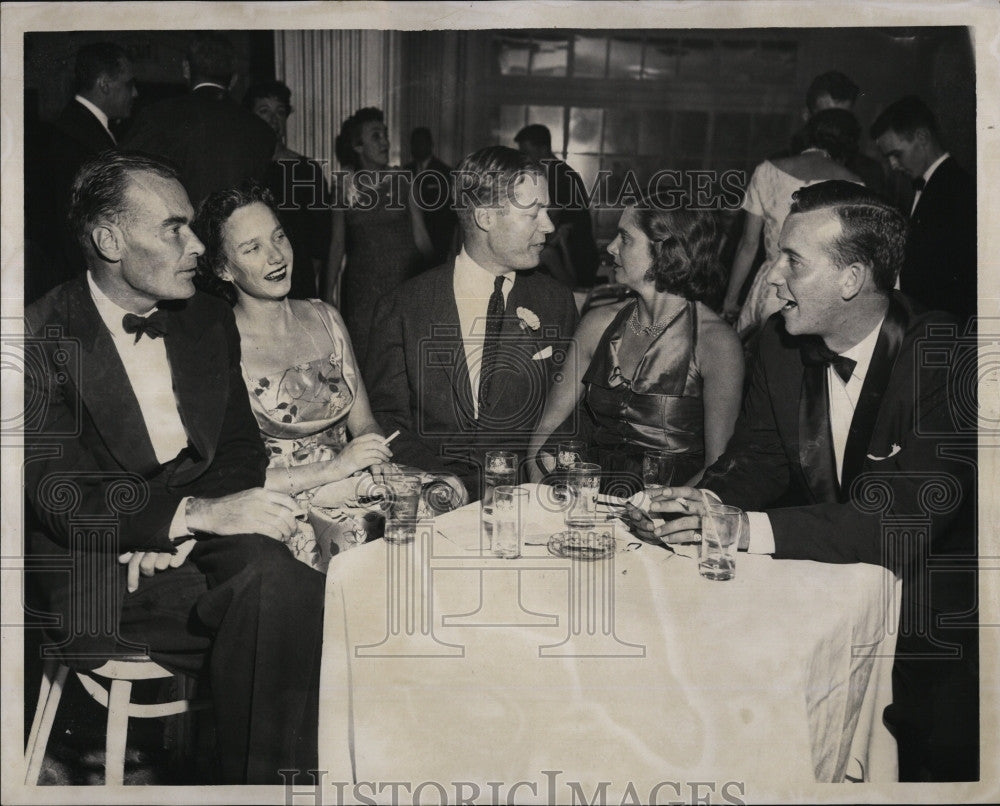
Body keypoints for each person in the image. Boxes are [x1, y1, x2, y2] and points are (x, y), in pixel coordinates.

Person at [646, 181, 978, 782]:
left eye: (791, 260)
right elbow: (758, 461)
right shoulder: (778, 346)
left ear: (851, 279)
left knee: (938, 754)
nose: (770, 277)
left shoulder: (947, 356)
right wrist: (705, 500)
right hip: (833, 584)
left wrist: (743, 527)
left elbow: (904, 522)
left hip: (940, 611)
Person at [23, 152, 324, 784]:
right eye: (174, 228)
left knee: (298, 584)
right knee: (279, 606)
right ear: (109, 240)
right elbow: (57, 489)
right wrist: (178, 518)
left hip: (194, 539)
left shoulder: (206, 318)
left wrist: (188, 529)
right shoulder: (35, 334)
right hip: (99, 566)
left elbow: (239, 446)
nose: (195, 244)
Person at [366, 145, 579, 499]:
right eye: (534, 213)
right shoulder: (402, 307)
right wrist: (441, 483)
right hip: (430, 500)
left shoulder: (555, 302)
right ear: (485, 218)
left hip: (525, 502)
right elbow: (386, 419)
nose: (549, 225)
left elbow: (569, 414)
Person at [528, 200, 743, 491]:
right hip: (589, 498)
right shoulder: (598, 323)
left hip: (670, 508)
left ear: (665, 249)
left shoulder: (715, 342)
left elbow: (718, 466)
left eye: (625, 238)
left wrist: (658, 511)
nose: (611, 247)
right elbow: (547, 426)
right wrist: (538, 482)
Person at [723, 108, 863, 338]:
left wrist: (730, 300)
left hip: (771, 286)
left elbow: (748, 245)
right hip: (820, 290)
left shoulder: (766, 171)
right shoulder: (855, 184)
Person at [27, 42, 138, 303]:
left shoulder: (74, 129)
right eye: (129, 84)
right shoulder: (76, 140)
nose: (135, 93)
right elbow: (72, 227)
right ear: (104, 84)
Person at [324, 107, 433, 371]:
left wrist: (439, 283)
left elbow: (421, 238)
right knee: (366, 364)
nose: (385, 141)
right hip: (363, 293)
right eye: (376, 136)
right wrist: (327, 296)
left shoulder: (404, 180)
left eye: (385, 135)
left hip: (403, 285)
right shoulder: (342, 187)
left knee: (404, 364)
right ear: (357, 146)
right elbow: (337, 245)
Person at [121, 32, 275, 208]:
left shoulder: (158, 116)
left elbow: (121, 178)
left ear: (186, 68)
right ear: (233, 79)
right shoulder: (262, 131)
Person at [871, 95, 976, 325]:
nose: (893, 165)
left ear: (922, 137)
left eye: (896, 154)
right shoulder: (929, 185)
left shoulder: (959, 191)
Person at [245, 80, 331, 299]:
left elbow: (320, 238)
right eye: (264, 111)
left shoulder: (307, 169)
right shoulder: (243, 168)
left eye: (280, 112)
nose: (274, 120)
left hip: (297, 279)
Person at [515, 123, 600, 288]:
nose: (523, 157)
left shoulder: (557, 175)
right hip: (571, 255)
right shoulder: (556, 172)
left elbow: (555, 217)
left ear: (543, 149)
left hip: (575, 258)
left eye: (526, 151)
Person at [404, 126, 458, 268]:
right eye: (415, 143)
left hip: (437, 242)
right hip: (410, 244)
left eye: (422, 142)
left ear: (431, 144)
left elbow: (449, 214)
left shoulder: (444, 172)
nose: (418, 147)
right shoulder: (404, 172)